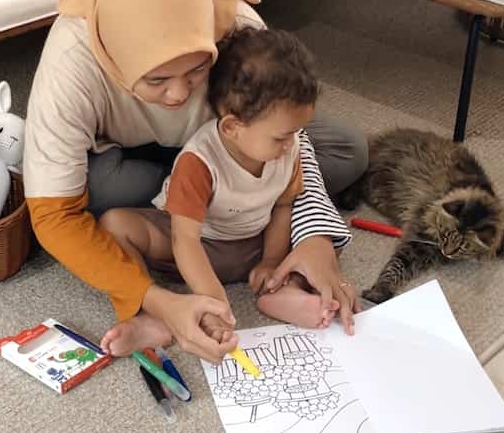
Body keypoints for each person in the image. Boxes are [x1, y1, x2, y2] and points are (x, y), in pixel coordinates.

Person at [24, 0, 366, 365]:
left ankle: (241, 224)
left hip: (229, 155)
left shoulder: (240, 32)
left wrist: (315, 237)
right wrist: (157, 301)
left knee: (347, 150)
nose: (180, 93)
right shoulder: (71, 63)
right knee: (96, 197)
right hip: (134, 164)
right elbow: (53, 217)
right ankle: (199, 207)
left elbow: (288, 142)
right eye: (156, 80)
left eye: (198, 69)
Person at [99, 27, 349, 358]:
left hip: (253, 243)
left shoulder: (290, 146)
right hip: (195, 246)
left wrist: (273, 262)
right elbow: (183, 240)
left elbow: (283, 207)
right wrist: (212, 299)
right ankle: (147, 318)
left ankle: (283, 293)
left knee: (313, 244)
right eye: (280, 137)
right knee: (114, 225)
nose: (292, 144)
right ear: (232, 127)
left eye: (296, 132)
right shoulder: (199, 161)